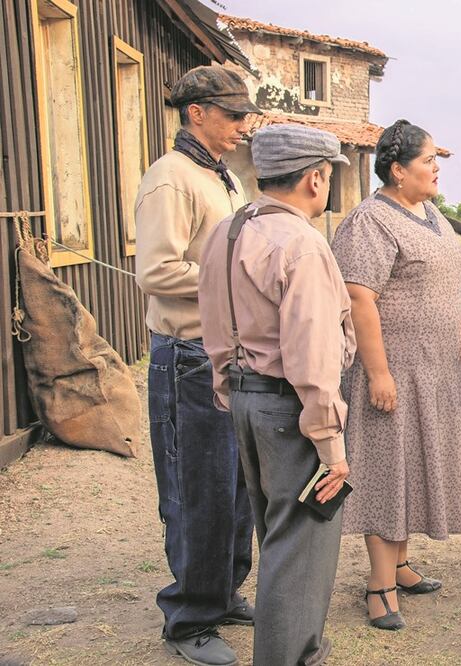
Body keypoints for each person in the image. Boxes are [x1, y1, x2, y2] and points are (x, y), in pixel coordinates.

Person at [198, 123, 355, 666]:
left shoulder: (228, 230)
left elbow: (213, 326)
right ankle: (291, 656)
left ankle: (302, 644)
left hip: (244, 397)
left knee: (278, 535)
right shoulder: (301, 242)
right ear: (315, 178)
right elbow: (313, 353)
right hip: (289, 404)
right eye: (330, 174)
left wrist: (230, 390)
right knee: (301, 544)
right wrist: (330, 440)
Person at [331, 119, 461, 631]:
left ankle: (400, 563)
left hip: (434, 369)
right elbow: (359, 298)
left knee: (414, 465)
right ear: (397, 171)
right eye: (427, 161)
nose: (436, 168)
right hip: (394, 367)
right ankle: (379, 586)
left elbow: (444, 286)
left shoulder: (432, 213)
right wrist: (377, 372)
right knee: (387, 471)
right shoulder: (370, 220)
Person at [134, 64, 259, 666]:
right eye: (233, 115)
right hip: (184, 354)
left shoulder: (224, 179)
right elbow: (156, 272)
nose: (243, 125)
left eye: (245, 115)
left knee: (236, 485)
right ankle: (189, 620)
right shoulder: (170, 178)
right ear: (197, 113)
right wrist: (237, 281)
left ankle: (225, 590)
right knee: (197, 491)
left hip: (222, 352)